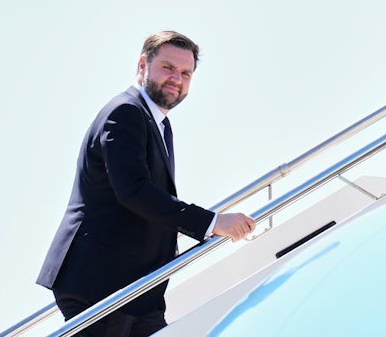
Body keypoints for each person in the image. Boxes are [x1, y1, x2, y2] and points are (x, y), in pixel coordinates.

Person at [37, 30, 256, 337]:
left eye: (185, 73)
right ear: (143, 65)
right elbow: (134, 191)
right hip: (103, 281)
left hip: (137, 288)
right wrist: (212, 222)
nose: (176, 79)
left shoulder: (156, 122)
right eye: (167, 68)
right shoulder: (125, 112)